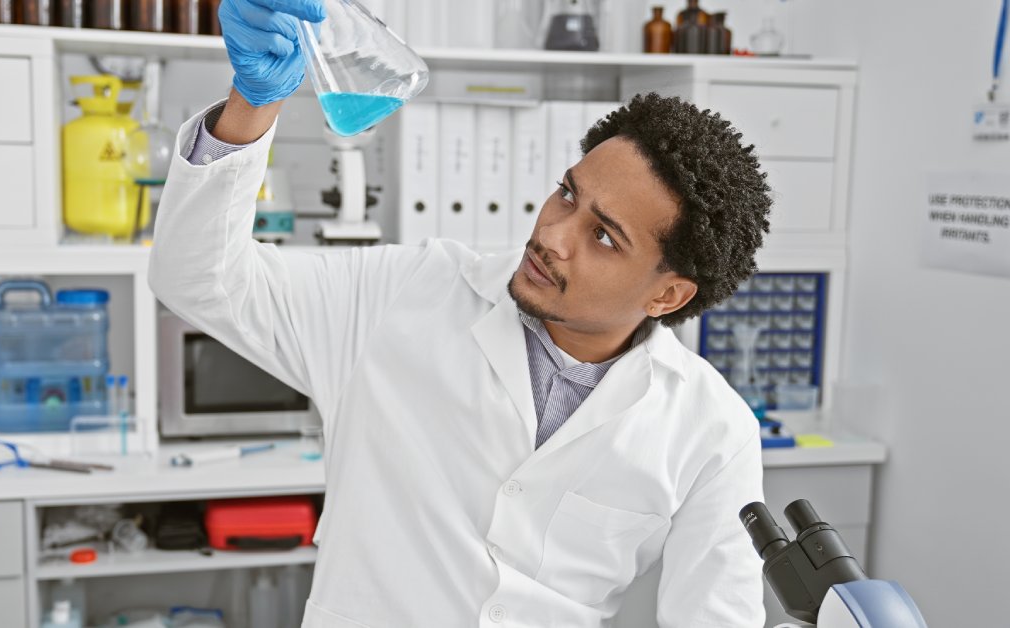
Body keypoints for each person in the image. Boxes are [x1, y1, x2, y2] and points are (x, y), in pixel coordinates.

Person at [148, 0, 774, 625]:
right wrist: (250, 104)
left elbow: (717, 616)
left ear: (667, 295)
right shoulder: (405, 292)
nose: (554, 234)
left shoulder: (711, 428)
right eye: (566, 195)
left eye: (604, 237)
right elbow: (197, 278)